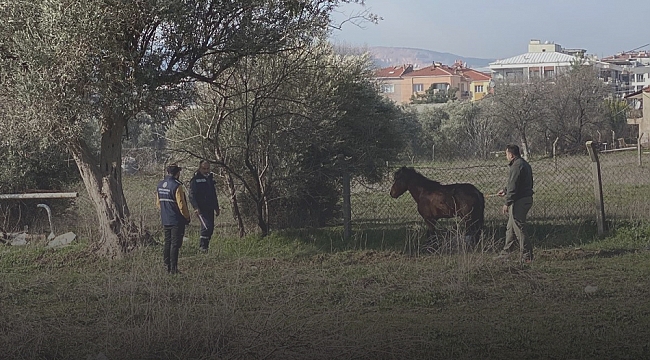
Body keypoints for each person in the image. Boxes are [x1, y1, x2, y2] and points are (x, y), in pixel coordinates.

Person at [496, 144, 534, 262]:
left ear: (511, 154)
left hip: (520, 200)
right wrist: (505, 190)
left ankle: (527, 256)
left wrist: (507, 203)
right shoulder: (523, 163)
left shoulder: (516, 166)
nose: (506, 156)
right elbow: (517, 183)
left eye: (506, 154)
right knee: (510, 228)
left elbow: (513, 186)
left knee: (519, 227)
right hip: (524, 198)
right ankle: (505, 254)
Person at [156, 164, 191, 274]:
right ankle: (173, 269)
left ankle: (166, 266)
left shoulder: (160, 184)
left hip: (165, 218)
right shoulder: (177, 186)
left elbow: (158, 203)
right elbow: (181, 204)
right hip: (176, 219)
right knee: (175, 244)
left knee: (167, 242)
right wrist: (186, 217)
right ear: (177, 173)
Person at [189, 160, 220, 252]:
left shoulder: (210, 179)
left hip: (210, 207)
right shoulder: (195, 180)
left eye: (207, 168)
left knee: (211, 228)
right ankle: (202, 247)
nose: (206, 170)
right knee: (206, 226)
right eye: (204, 168)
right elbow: (191, 195)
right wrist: (195, 207)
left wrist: (217, 207)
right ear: (200, 168)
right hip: (201, 208)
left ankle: (206, 246)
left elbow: (213, 194)